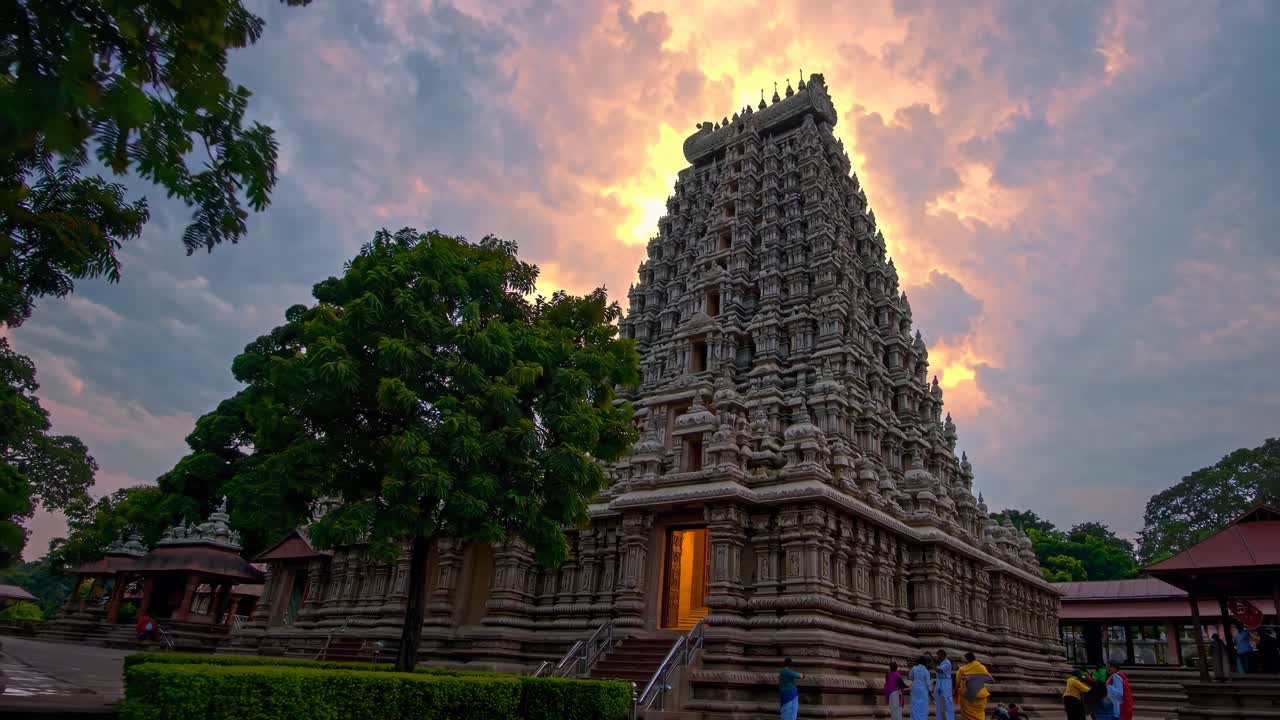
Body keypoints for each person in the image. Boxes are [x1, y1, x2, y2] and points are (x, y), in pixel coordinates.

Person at [954, 652, 992, 720]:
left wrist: (954, 692)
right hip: (981, 695)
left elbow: (957, 683)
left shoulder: (962, 669)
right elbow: (990, 679)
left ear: (967, 660)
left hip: (968, 695)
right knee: (979, 716)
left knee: (968, 716)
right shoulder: (982, 667)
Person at [909, 655, 932, 720]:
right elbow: (928, 683)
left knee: (914, 705)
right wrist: (930, 691)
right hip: (923, 690)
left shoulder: (914, 668)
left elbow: (910, 677)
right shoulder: (926, 671)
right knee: (923, 707)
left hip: (915, 688)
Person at [934, 650, 955, 720]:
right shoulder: (940, 663)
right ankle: (939, 718)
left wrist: (932, 665)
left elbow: (939, 670)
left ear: (942, 655)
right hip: (939, 682)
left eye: (938, 655)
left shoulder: (947, 663)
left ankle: (950, 718)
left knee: (947, 701)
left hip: (946, 683)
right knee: (938, 701)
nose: (937, 657)